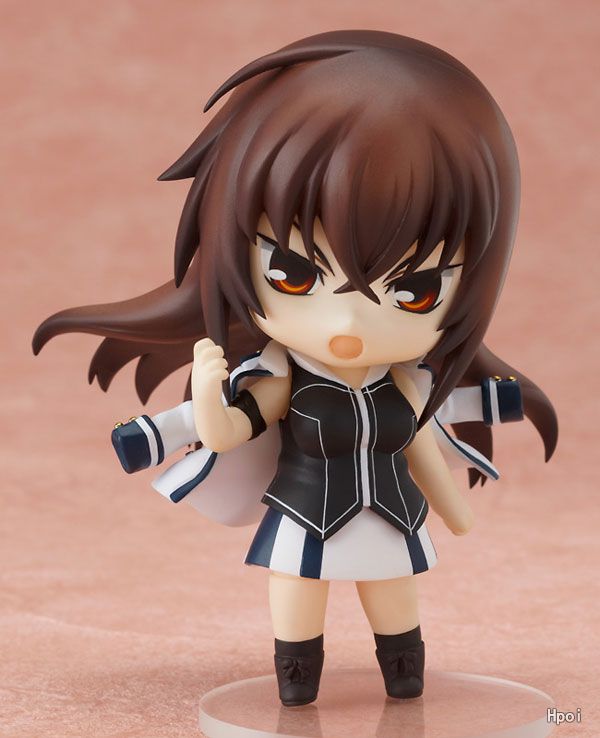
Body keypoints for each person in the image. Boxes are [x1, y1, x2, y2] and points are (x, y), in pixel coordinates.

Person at [33, 30, 557, 707]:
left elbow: (422, 438)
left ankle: (403, 669)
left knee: (394, 597)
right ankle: (297, 673)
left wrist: (454, 512)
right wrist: (207, 388)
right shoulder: (281, 379)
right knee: (298, 596)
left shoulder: (405, 384)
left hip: (392, 516)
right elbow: (226, 431)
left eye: (415, 290)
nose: (347, 325)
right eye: (294, 272)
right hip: (304, 518)